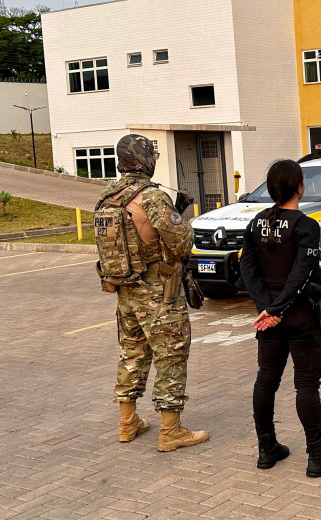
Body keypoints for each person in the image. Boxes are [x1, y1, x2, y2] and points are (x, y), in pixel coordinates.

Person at [95, 134, 208, 452]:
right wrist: (183, 220)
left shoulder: (107, 196)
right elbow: (182, 242)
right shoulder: (153, 197)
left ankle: (127, 423)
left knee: (131, 354)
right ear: (144, 160)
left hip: (124, 290)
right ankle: (171, 431)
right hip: (159, 293)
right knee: (171, 355)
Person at [238, 159, 321, 474]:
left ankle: (267, 449)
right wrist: (274, 309)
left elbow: (248, 269)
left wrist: (266, 307)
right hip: (301, 316)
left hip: (270, 316)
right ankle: (318, 455)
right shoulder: (305, 225)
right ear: (300, 187)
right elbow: (301, 273)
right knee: (306, 384)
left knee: (266, 380)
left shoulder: (256, 222)